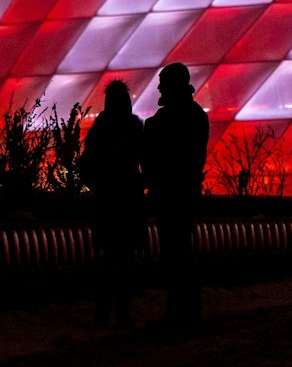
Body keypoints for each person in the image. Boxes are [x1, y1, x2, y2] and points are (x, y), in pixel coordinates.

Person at [143, 62, 210, 331]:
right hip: (185, 192)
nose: (158, 87)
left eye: (163, 82)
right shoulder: (195, 115)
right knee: (181, 252)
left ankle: (179, 313)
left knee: (175, 253)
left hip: (171, 193)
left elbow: (157, 154)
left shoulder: (171, 118)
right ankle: (187, 311)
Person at [81, 79, 144, 331]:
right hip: (129, 202)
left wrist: (98, 185)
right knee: (126, 261)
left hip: (106, 203)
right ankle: (123, 315)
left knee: (107, 261)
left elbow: (84, 167)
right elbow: (146, 163)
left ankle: (102, 314)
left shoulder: (98, 133)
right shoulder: (135, 131)